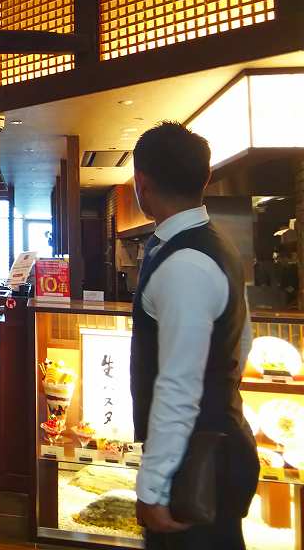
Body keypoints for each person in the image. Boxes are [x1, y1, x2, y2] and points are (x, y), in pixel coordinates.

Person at [130, 122, 258, 548]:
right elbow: (242, 341)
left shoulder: (183, 261)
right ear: (205, 177)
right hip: (218, 446)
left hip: (195, 465)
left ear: (142, 182)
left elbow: (179, 384)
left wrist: (152, 486)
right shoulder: (216, 244)